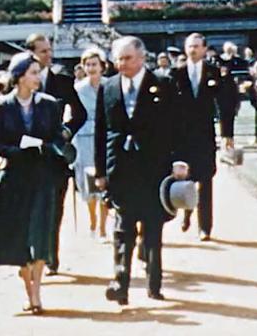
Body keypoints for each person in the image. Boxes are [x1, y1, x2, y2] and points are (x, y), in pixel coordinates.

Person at [95, 36, 178, 305]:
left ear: (142, 58)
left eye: (128, 58)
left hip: (152, 168)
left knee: (152, 230)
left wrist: (178, 161)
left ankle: (154, 283)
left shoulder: (162, 85)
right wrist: (100, 171)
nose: (122, 64)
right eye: (118, 58)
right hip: (120, 169)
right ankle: (120, 283)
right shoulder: (107, 87)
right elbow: (101, 131)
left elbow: (175, 127)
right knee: (122, 229)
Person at [0, 53, 66, 315]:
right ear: (19, 76)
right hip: (15, 177)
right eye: (32, 72)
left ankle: (37, 293)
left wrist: (47, 147)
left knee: (40, 232)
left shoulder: (50, 105)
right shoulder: (1, 106)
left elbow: (57, 137)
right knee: (18, 235)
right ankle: (28, 289)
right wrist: (18, 150)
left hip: (42, 175)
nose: (37, 77)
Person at [26, 33, 87, 276]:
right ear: (31, 54)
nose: (48, 55)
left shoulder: (62, 81)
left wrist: (67, 131)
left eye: (50, 50)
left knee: (55, 208)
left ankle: (51, 255)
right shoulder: (20, 82)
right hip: (29, 157)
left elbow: (80, 113)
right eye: (43, 51)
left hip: (56, 157)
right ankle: (33, 254)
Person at [173, 33, 234, 241]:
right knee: (186, 179)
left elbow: (225, 104)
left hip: (205, 135)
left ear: (204, 49)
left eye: (197, 46)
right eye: (190, 46)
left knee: (205, 180)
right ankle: (187, 212)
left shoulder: (215, 73)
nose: (193, 50)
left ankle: (205, 226)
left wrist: (227, 133)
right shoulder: (176, 74)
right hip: (182, 136)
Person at [73, 47, 109, 242]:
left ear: (102, 66)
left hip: (105, 138)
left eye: (94, 64)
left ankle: (103, 227)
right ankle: (93, 220)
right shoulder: (78, 89)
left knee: (105, 180)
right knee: (88, 184)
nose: (91, 68)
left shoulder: (110, 85)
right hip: (85, 139)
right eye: (87, 64)